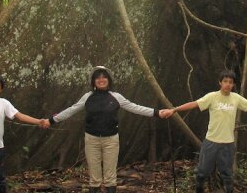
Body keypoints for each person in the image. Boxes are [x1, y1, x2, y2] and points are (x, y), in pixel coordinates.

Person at [42, 66, 170, 193]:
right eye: (97, 78)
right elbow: (71, 110)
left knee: (110, 177)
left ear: (109, 80)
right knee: (94, 177)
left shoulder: (116, 97)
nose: (101, 80)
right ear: (93, 81)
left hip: (111, 140)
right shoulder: (87, 97)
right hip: (91, 140)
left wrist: (158, 113)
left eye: (104, 77)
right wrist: (51, 120)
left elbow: (135, 107)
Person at [165, 69, 247, 193]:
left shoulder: (236, 98)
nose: (228, 84)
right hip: (211, 142)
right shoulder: (212, 97)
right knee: (202, 172)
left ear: (233, 85)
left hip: (228, 143)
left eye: (230, 82)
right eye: (225, 81)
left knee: (227, 174)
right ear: (220, 82)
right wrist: (174, 110)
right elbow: (194, 104)